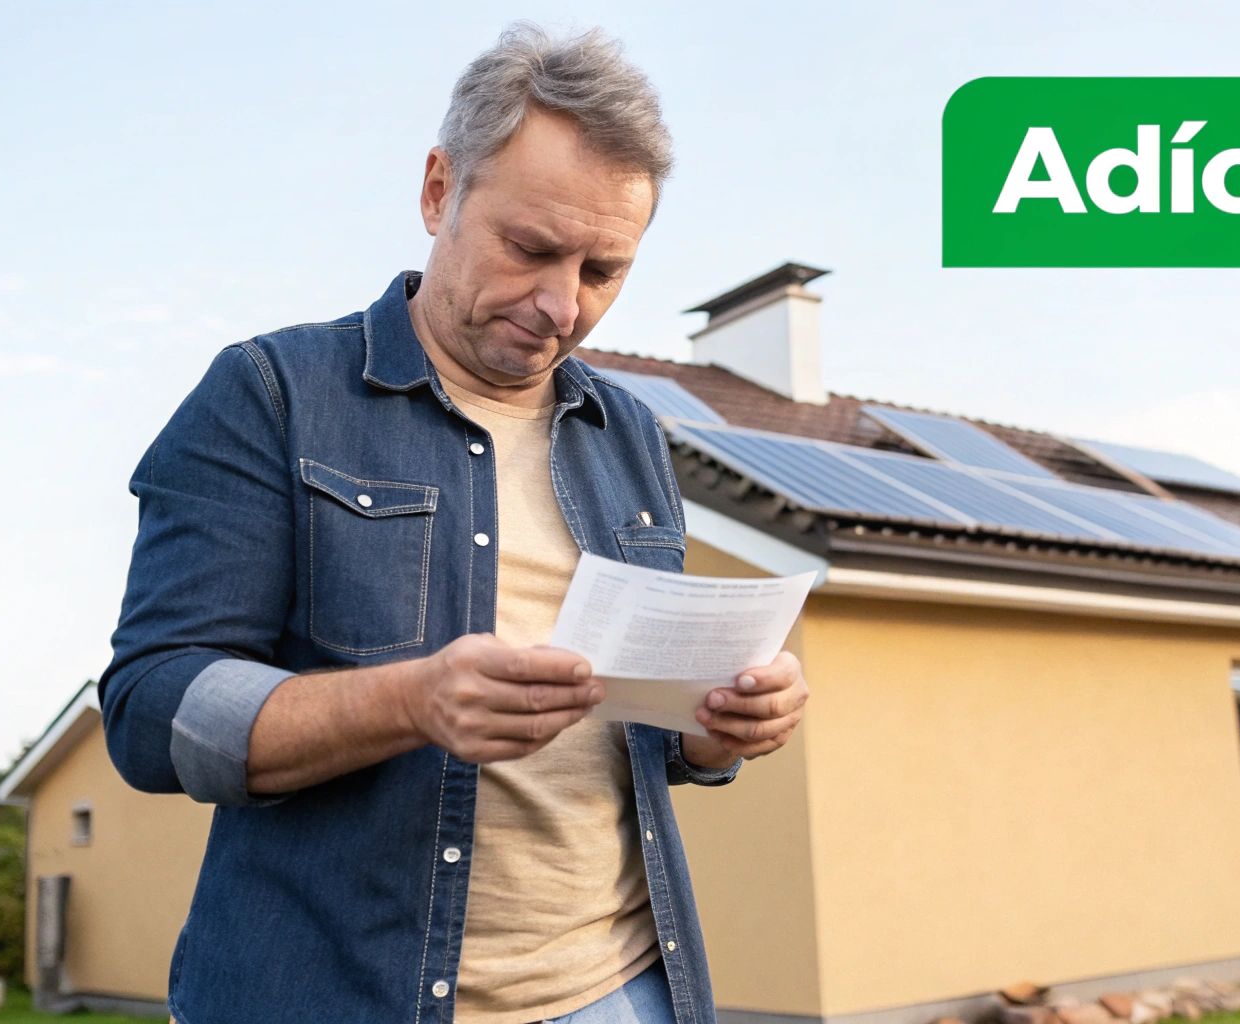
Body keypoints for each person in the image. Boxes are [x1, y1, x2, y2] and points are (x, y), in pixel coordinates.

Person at [101, 22, 808, 1024]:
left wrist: (716, 730)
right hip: (334, 998)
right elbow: (150, 709)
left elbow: (637, 731)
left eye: (602, 270)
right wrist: (411, 702)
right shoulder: (270, 393)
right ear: (439, 190)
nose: (561, 305)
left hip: (620, 992)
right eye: (530, 248)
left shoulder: (632, 435)